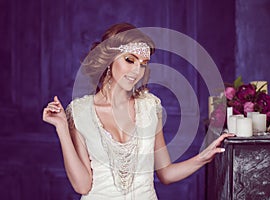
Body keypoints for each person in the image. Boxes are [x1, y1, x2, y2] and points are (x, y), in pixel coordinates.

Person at [42, 23, 234, 199]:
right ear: (109, 60)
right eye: (129, 60)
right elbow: (82, 186)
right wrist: (61, 128)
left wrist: (203, 157)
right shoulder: (80, 111)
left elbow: (165, 173)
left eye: (142, 64)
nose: (136, 70)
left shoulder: (149, 107)